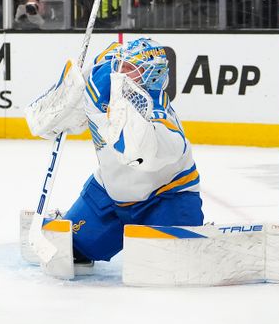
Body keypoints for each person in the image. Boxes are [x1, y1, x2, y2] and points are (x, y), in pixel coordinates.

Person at [25, 38, 202, 267]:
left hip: (165, 198)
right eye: (122, 65)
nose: (122, 72)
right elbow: (105, 59)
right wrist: (65, 99)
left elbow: (137, 156)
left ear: (152, 76)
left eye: (132, 69)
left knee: (172, 264)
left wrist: (110, 113)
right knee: (70, 251)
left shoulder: (160, 118)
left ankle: (187, 229)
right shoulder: (103, 76)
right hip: (109, 194)